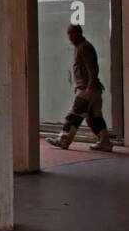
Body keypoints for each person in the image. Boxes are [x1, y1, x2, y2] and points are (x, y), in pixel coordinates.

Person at [48, 23, 113, 152]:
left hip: (87, 89)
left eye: (72, 33)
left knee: (73, 115)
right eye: (68, 34)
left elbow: (92, 68)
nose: (70, 37)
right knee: (94, 117)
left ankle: (63, 140)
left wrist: (89, 86)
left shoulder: (84, 47)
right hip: (90, 89)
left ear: (79, 33)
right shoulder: (80, 47)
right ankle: (105, 142)